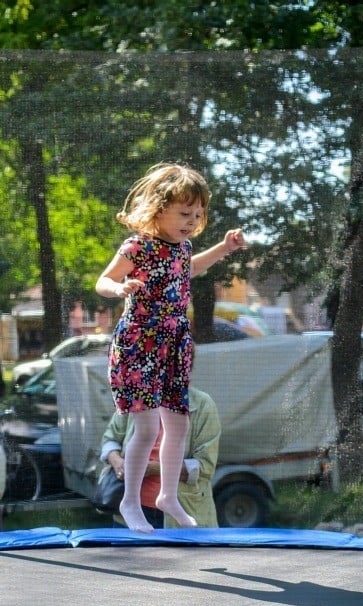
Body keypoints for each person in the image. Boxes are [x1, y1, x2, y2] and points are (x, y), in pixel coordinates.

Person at [96, 161, 245, 533]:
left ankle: (167, 496)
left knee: (178, 425)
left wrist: (223, 249)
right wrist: (119, 289)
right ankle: (131, 500)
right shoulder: (138, 246)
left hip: (174, 344)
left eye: (197, 214)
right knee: (145, 428)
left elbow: (188, 268)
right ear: (159, 209)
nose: (192, 221)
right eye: (184, 213)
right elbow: (104, 279)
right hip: (140, 343)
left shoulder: (181, 248)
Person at [100, 386, 221, 528]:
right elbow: (109, 440)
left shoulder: (202, 404)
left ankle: (167, 498)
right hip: (130, 516)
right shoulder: (137, 395)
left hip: (180, 514)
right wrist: (118, 462)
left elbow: (205, 467)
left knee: (172, 430)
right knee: (147, 433)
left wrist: (153, 468)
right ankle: (131, 502)